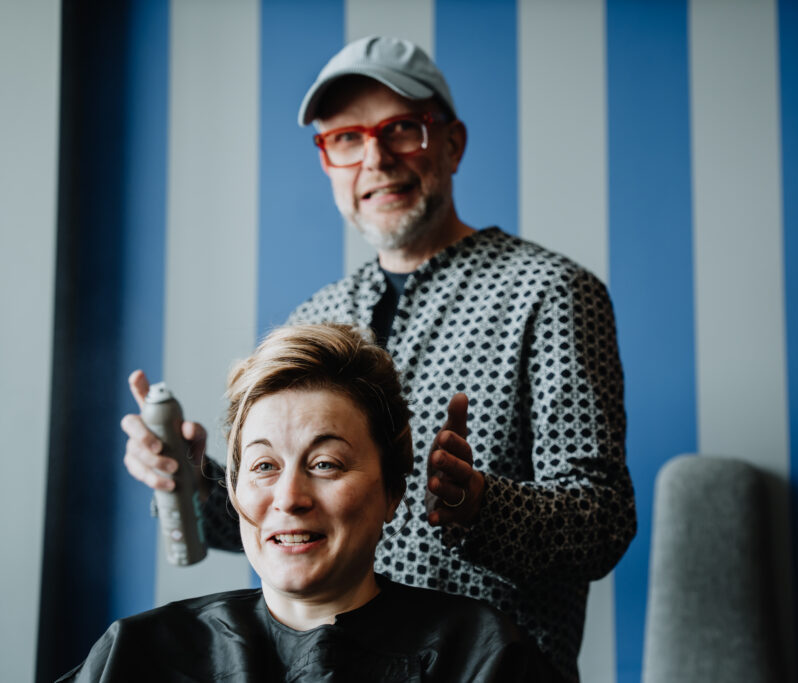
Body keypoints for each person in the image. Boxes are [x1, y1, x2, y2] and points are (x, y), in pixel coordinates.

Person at [121, 35, 635, 682]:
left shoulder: (551, 293)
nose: (376, 158)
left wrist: (480, 505)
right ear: (327, 161)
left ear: (451, 144)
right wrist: (195, 481)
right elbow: (299, 518)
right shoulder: (319, 314)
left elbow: (603, 520)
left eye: (403, 130)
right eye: (346, 138)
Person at [69, 324, 552, 682]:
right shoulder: (140, 654)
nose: (289, 498)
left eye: (326, 464)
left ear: (393, 491)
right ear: (233, 490)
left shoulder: (482, 660)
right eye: (263, 466)